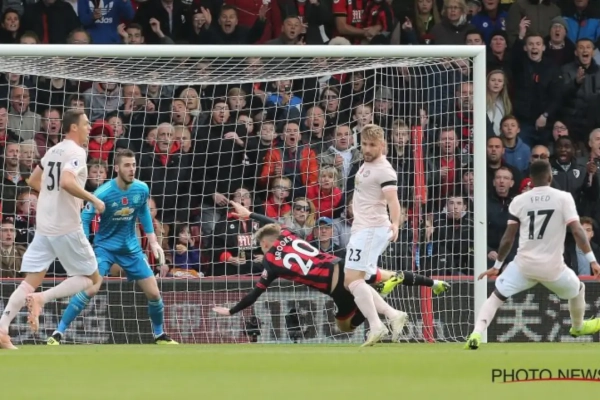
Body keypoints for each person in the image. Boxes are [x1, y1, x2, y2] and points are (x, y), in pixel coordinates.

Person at [212, 201, 450, 337]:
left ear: (265, 245)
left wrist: (232, 311)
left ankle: (376, 309)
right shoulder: (287, 233)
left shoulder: (270, 263)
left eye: (261, 247)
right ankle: (433, 283)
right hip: (341, 264)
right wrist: (249, 214)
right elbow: (273, 223)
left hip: (333, 285)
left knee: (344, 325)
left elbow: (255, 293)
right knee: (383, 275)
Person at [47, 149, 178, 345]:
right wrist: (85, 246)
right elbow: (85, 218)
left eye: (133, 165)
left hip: (131, 250)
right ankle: (58, 332)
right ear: (116, 168)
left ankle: (159, 335)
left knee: (154, 293)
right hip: (105, 249)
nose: (132, 169)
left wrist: (153, 241)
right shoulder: (103, 193)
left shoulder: (141, 188)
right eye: (127, 165)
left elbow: (143, 211)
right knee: (91, 289)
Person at [466, 160, 600, 350]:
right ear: (550, 177)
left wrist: (496, 267)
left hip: (523, 266)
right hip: (553, 268)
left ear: (531, 179)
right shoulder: (563, 198)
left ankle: (476, 333)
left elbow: (507, 238)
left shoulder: (519, 201)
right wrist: (593, 261)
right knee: (578, 289)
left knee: (496, 297)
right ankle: (578, 327)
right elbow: (577, 231)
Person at [0, 109, 104, 350]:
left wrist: (53, 196)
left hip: (44, 224)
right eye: (86, 124)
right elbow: (67, 181)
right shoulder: (77, 151)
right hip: (66, 226)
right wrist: (93, 199)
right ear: (74, 127)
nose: (90, 128)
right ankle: (41, 298)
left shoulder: (53, 150)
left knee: (30, 280)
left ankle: (2, 329)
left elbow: (34, 180)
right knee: (92, 279)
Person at [343, 124, 408, 346]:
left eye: (372, 145)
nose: (367, 149)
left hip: (372, 229)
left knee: (352, 280)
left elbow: (393, 201)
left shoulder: (384, 170)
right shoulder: (366, 163)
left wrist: (396, 223)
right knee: (354, 281)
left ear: (382, 145)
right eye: (364, 144)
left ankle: (376, 325)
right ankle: (392, 314)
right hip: (362, 228)